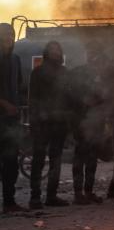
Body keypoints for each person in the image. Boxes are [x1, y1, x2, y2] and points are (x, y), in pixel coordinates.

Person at [28, 41, 72, 208]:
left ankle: (51, 196)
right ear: (47, 52)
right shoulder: (38, 73)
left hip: (59, 122)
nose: (55, 52)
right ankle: (35, 197)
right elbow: (33, 98)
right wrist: (34, 121)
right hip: (42, 123)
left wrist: (67, 118)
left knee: (56, 160)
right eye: (52, 49)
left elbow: (68, 97)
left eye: (57, 49)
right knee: (38, 160)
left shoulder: (64, 72)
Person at [68, 45, 107, 204]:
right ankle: (78, 193)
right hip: (81, 121)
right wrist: (83, 101)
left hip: (97, 121)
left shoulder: (103, 76)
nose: (94, 57)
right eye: (91, 53)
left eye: (97, 54)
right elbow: (71, 95)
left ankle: (88, 191)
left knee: (92, 158)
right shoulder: (78, 73)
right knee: (80, 156)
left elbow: (106, 97)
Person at [0, 23, 26, 212]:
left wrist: (17, 106)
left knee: (11, 161)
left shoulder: (15, 59)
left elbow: (18, 86)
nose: (8, 37)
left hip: (11, 119)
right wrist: (4, 104)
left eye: (11, 33)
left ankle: (9, 202)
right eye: (4, 34)